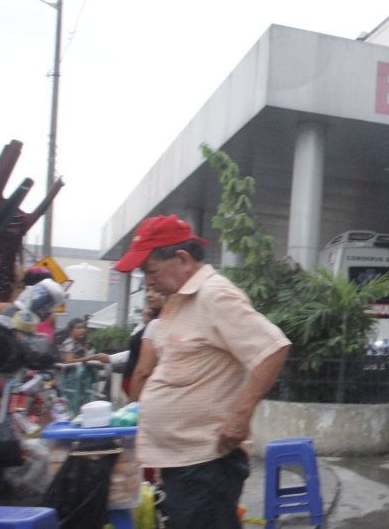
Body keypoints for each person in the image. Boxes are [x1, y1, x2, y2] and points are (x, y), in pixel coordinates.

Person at [112, 214, 290, 529]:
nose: (148, 282)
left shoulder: (214, 295)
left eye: (150, 271)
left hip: (206, 463)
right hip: (184, 462)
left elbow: (273, 347)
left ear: (182, 258)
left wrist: (239, 418)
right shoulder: (180, 302)